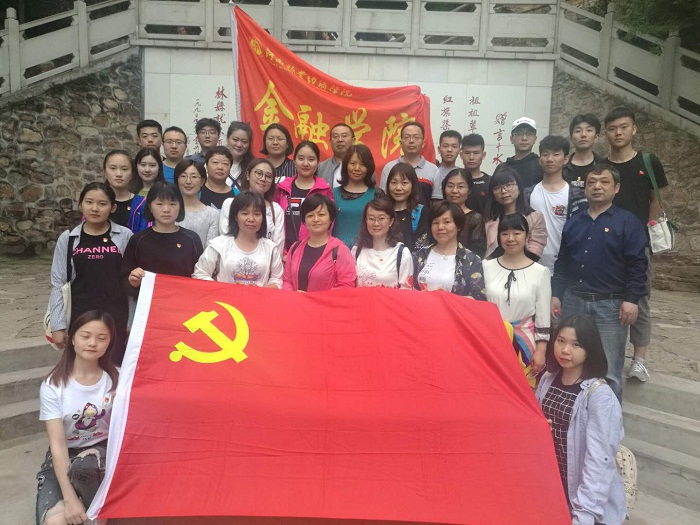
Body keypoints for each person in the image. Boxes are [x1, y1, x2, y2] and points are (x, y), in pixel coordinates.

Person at [551, 165, 648, 401]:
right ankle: (570, 413)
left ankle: (608, 421)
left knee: (610, 370)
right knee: (569, 363)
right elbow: (562, 263)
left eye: (604, 182)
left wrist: (632, 300)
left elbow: (638, 265)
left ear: (616, 188)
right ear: (585, 188)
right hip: (574, 301)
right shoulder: (574, 222)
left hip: (610, 306)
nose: (597, 187)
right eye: (591, 182)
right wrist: (556, 294)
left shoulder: (628, 222)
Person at [535, 315, 626, 525]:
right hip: (553, 491)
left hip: (583, 500)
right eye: (560, 341)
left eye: (576, 344)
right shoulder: (548, 380)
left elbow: (599, 461)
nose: (565, 350)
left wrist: (584, 514)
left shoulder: (600, 396)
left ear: (590, 348)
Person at [604, 106, 669, 383]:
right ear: (606, 133)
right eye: (612, 128)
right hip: (606, 243)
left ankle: (639, 360)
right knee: (608, 298)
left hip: (637, 244)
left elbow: (657, 200)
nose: (618, 133)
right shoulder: (602, 166)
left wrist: (641, 232)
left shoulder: (648, 162)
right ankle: (608, 354)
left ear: (634, 129)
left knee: (639, 299)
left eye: (623, 127)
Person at [37, 310, 119, 525]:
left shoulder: (117, 379)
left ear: (109, 343)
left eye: (101, 338)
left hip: (104, 454)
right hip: (67, 454)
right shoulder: (53, 386)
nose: (92, 343)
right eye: (85, 336)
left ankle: (98, 510)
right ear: (72, 338)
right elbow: (57, 444)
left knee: (88, 469)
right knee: (55, 521)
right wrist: (70, 499)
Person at [483, 214, 550, 386]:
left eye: (517, 233)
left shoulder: (540, 272)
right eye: (505, 233)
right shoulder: (486, 266)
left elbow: (543, 316)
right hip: (490, 340)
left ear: (527, 236)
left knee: (521, 391)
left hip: (524, 344)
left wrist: (541, 351)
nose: (510, 239)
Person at [122, 183, 204, 295]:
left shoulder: (192, 239)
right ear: (150, 207)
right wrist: (133, 281)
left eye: (172, 204)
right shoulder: (138, 240)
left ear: (180, 206)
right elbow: (125, 280)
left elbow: (201, 276)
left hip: (184, 300)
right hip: (148, 302)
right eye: (159, 204)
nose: (166, 209)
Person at [193, 192, 283, 288]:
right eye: (245, 213)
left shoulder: (271, 248)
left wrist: (259, 291)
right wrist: (227, 288)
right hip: (224, 297)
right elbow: (200, 274)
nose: (251, 219)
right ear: (235, 216)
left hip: (259, 297)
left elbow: (277, 279)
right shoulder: (218, 246)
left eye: (257, 214)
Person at [527, 135, 587, 273]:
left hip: (565, 268)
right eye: (545, 154)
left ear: (565, 159)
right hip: (531, 265)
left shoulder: (577, 196)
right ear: (539, 159)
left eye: (556, 154)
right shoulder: (528, 194)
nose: (550, 159)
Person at [413, 201, 486, 300]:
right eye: (435, 222)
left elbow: (479, 298)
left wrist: (447, 298)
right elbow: (409, 288)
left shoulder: (471, 260)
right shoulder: (420, 254)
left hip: (452, 310)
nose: (440, 227)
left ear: (458, 226)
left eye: (446, 222)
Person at [282, 194, 356, 291]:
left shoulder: (340, 250)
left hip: (326, 301)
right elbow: (287, 280)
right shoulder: (295, 248)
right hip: (295, 301)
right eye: (310, 215)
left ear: (330, 218)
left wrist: (312, 298)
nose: (316, 219)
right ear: (304, 221)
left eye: (321, 215)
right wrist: (294, 295)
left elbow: (346, 285)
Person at [275, 141, 334, 252]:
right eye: (301, 158)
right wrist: (281, 253)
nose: (305, 163)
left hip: (313, 253)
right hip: (283, 253)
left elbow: (329, 224)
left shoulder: (324, 190)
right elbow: (274, 221)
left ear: (318, 163)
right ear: (294, 161)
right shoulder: (282, 188)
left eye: (311, 159)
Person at [220, 159, 285, 254]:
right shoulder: (230, 204)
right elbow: (226, 235)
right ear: (247, 175)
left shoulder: (276, 209)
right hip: (233, 258)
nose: (263, 179)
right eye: (259, 173)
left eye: (268, 176)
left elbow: (278, 246)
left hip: (265, 260)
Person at [483, 167, 547, 260]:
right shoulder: (487, 219)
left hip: (526, 265)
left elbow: (536, 247)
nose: (503, 191)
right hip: (493, 266)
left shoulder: (535, 217)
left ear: (519, 187)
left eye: (508, 185)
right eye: (497, 188)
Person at [352, 197, 413, 289]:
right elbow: (349, 285)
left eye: (381, 218)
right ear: (366, 221)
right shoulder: (356, 251)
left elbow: (407, 291)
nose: (376, 223)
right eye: (371, 218)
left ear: (391, 221)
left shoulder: (402, 253)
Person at [379, 122, 439, 204]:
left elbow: (436, 202)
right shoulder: (389, 167)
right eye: (407, 137)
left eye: (416, 137)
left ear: (423, 143)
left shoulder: (433, 169)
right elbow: (383, 198)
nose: (411, 141)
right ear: (401, 143)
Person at [332, 144, 377, 248]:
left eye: (362, 164)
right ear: (345, 165)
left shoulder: (377, 195)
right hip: (337, 251)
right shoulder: (332, 194)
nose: (357, 168)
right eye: (352, 163)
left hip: (368, 251)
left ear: (369, 167)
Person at [384, 163, 429, 253]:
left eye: (404, 183)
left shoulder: (420, 212)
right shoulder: (383, 211)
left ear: (413, 185)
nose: (398, 188)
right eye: (394, 183)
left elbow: (421, 247)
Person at [102, 150, 150, 233]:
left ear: (132, 173)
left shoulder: (142, 204)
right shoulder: (96, 202)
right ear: (105, 172)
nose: (119, 174)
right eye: (113, 168)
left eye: (124, 169)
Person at [442, 168, 486, 258]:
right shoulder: (436, 214)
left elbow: (478, 251)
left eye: (460, 187)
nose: (454, 191)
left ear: (469, 190)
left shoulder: (475, 218)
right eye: (450, 186)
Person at [175, 160, 219, 247]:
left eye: (194, 177)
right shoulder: (170, 210)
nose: (188, 181)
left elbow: (210, 249)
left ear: (202, 181)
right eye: (183, 176)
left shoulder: (212, 214)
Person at [493, 117, 542, 188]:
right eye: (519, 134)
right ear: (511, 139)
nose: (524, 138)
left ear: (535, 139)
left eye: (529, 134)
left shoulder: (542, 165)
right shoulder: (502, 168)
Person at [566, 113, 603, 185]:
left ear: (596, 137)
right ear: (571, 138)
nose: (583, 135)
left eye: (589, 130)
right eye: (578, 131)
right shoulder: (562, 167)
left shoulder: (604, 166)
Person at [461, 134, 491, 213]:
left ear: (483, 155)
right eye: (467, 153)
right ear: (461, 155)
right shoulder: (454, 180)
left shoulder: (490, 182)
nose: (471, 157)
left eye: (476, 153)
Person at [318, 123, 355, 188]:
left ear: (353, 140)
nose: (340, 140)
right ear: (330, 142)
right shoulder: (320, 168)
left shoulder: (364, 166)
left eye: (344, 136)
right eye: (335, 136)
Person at [226, 121, 255, 191]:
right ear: (227, 139)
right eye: (235, 140)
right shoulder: (215, 163)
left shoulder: (254, 167)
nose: (239, 145)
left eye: (244, 141)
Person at [433, 130, 462, 199]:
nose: (449, 150)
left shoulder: (462, 174)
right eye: (445, 146)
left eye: (454, 146)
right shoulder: (432, 172)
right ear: (439, 149)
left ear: (459, 150)